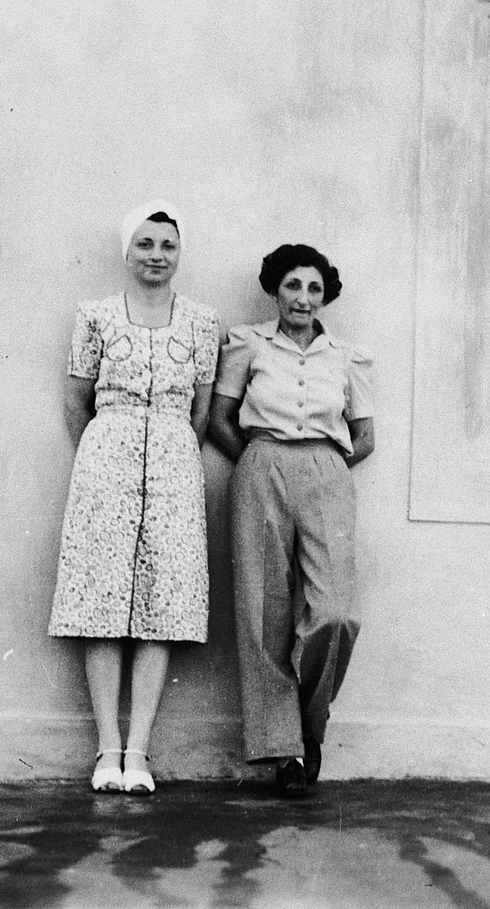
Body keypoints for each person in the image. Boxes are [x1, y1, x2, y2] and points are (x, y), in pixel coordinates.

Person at [49, 201, 219, 795]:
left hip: (174, 459)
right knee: (102, 601)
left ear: (180, 252)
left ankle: (139, 752)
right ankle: (106, 751)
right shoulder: (94, 315)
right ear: (128, 252)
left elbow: (201, 408)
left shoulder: (202, 322)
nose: (156, 256)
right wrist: (106, 451)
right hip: (106, 459)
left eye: (167, 246)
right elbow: (76, 399)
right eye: (145, 245)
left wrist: (170, 449)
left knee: (160, 605)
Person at [209, 244, 374, 798]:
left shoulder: (348, 356)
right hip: (260, 464)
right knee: (264, 612)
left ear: (325, 295)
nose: (302, 298)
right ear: (275, 290)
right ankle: (285, 752)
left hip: (328, 469)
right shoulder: (247, 343)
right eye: (291, 286)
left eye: (312, 288)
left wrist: (320, 468)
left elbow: (365, 436)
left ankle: (310, 725)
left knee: (335, 613)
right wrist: (263, 461)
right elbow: (219, 420)